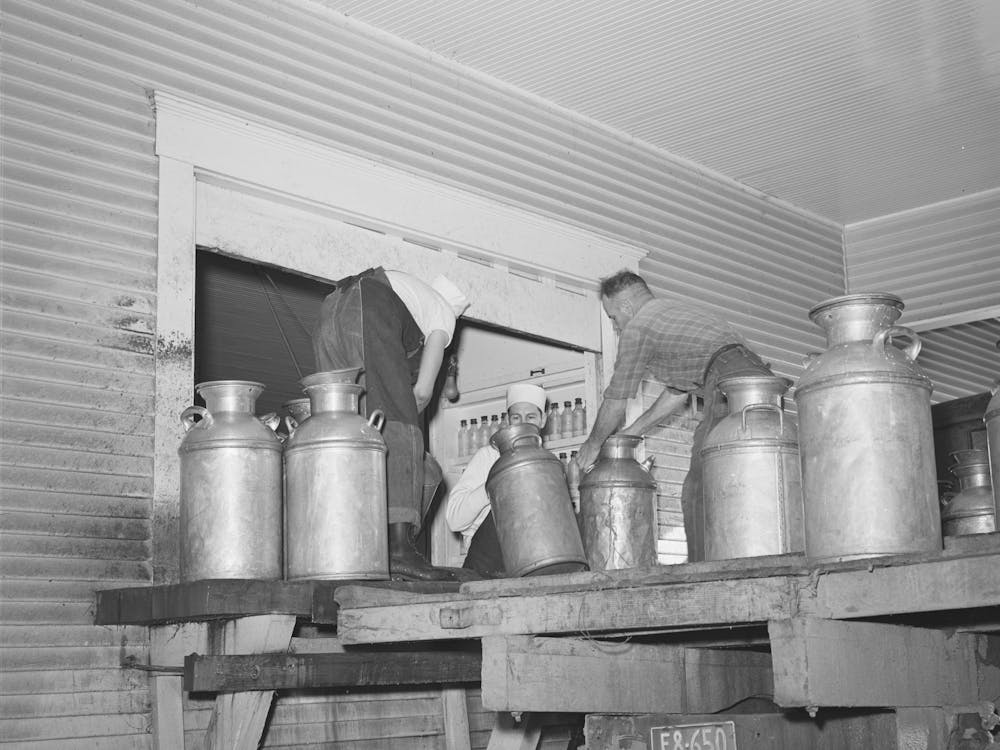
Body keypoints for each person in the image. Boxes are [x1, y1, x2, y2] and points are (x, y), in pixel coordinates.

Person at [573, 270, 772, 562]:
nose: (616, 327)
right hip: (760, 383)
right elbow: (678, 391)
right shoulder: (672, 314)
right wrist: (632, 431)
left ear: (626, 307)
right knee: (754, 476)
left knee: (701, 486)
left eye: (613, 317)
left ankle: (704, 568)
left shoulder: (638, 327)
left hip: (728, 385)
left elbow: (616, 399)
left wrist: (592, 445)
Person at [312, 266, 470, 580]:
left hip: (329, 313)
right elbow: (423, 391)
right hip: (370, 306)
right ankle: (398, 548)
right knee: (400, 422)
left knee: (343, 429)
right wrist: (410, 431)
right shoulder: (443, 313)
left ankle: (347, 546)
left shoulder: (413, 299)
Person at [445, 382, 548, 578]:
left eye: (531, 417)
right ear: (508, 421)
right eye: (516, 417)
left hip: (528, 564)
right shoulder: (489, 456)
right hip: (485, 568)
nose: (523, 423)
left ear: (543, 420)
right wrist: (494, 485)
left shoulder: (546, 464)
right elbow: (454, 520)